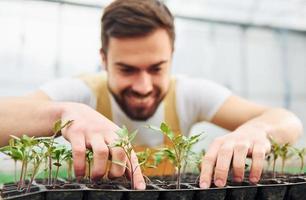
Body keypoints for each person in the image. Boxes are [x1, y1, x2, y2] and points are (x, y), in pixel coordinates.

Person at [0, 0, 303, 190]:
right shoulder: (81, 94)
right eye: (127, 69)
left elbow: (288, 121)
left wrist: (258, 128)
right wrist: (62, 114)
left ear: (171, 56)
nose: (144, 86)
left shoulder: (189, 93)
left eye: (157, 68)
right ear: (103, 59)